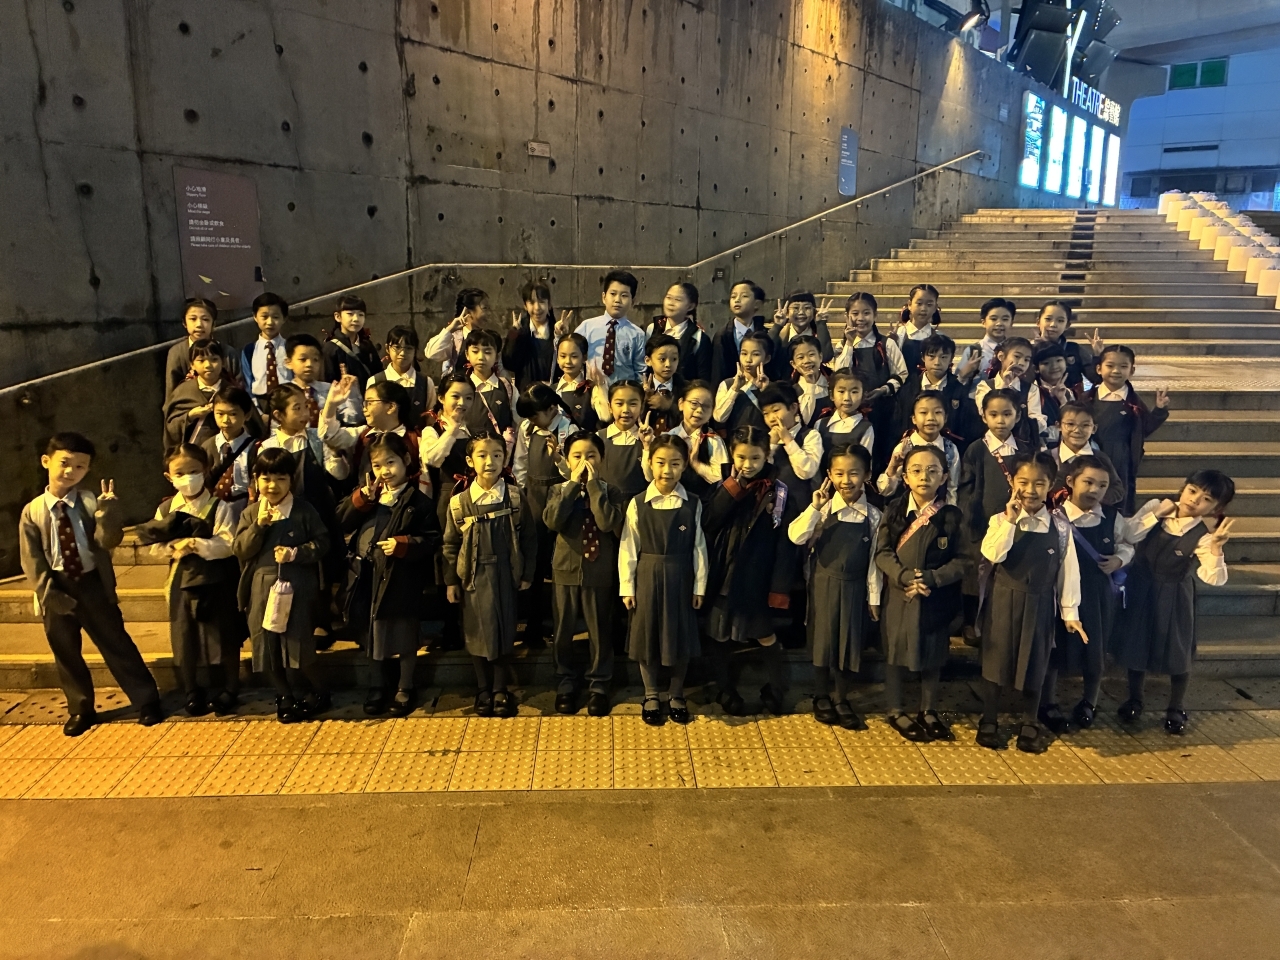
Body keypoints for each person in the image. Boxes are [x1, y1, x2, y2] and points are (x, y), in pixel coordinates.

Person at [19, 433, 164, 736]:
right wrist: (47, 592)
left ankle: (146, 700)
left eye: (80, 467)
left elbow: (106, 541)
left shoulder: (88, 502)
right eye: (64, 463)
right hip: (56, 585)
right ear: (46, 461)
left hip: (91, 582)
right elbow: (31, 559)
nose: (70, 471)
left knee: (116, 642)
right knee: (65, 650)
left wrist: (108, 514)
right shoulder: (33, 511)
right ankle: (80, 708)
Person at [978, 452, 1086, 754]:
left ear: (1051, 485)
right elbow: (993, 554)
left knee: (1036, 662)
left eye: (1039, 483)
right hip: (1003, 600)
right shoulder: (1000, 520)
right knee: (996, 660)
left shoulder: (1060, 527)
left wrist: (1070, 612)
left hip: (1039, 604)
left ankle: (1030, 721)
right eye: (1023, 482)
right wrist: (1011, 521)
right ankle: (989, 719)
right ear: (1012, 482)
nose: (1030, 490)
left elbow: (1068, 570)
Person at [1113, 470, 1234, 735]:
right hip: (1140, 587)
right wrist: (1156, 514)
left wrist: (1216, 548)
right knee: (1137, 643)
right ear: (1184, 488)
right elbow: (1128, 535)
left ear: (1216, 509)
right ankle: (1135, 699)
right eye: (1192, 491)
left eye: (1206, 499)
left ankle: (1176, 706)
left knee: (1177, 650)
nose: (1194, 500)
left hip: (1174, 593)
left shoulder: (1203, 535)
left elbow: (1214, 578)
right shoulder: (1156, 507)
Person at [133, 444, 244, 717]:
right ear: (169, 477)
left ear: (205, 470)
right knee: (184, 636)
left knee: (223, 634)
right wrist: (173, 546)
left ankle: (230, 687)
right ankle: (191, 690)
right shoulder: (166, 509)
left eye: (193, 471)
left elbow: (228, 543)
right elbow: (153, 545)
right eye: (180, 473)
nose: (187, 478)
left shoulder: (219, 506)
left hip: (215, 579)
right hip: (180, 579)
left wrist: (196, 544)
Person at [337, 433, 440, 717]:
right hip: (366, 577)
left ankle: (405, 686)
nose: (385, 471)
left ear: (406, 460)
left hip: (400, 580)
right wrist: (362, 499)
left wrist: (404, 544)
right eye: (377, 465)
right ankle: (377, 686)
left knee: (404, 634)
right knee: (372, 635)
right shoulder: (369, 495)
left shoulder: (418, 501)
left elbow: (431, 540)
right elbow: (340, 521)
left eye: (391, 462)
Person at [703, 425, 802, 717]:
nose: (748, 465)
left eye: (755, 458)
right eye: (741, 457)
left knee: (763, 634)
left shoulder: (779, 493)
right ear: (732, 455)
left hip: (757, 576)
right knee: (719, 634)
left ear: (767, 455)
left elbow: (786, 545)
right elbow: (709, 521)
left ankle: (776, 688)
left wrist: (779, 587)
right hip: (724, 573)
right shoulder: (723, 485)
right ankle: (725, 689)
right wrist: (733, 488)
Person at [875, 445, 968, 742]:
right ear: (905, 477)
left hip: (934, 595)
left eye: (932, 471)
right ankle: (895, 709)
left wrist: (932, 578)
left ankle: (928, 709)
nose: (924, 477)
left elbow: (964, 559)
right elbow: (882, 552)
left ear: (944, 477)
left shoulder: (952, 516)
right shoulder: (894, 510)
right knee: (894, 650)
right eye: (916, 470)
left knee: (933, 651)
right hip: (900, 594)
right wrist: (904, 576)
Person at [232, 447, 331, 723]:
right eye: (266, 478)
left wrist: (297, 553)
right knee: (266, 644)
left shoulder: (304, 511)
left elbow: (323, 542)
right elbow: (240, 549)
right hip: (261, 587)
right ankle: (284, 694)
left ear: (291, 480)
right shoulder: (251, 513)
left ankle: (319, 691)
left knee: (298, 643)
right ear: (255, 480)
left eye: (280, 479)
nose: (273, 486)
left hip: (297, 585)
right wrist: (259, 526)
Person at [442, 435, 538, 718]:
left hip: (505, 575)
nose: (490, 461)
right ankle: (482, 689)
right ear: (470, 461)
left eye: (497, 455)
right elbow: (450, 545)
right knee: (476, 633)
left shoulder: (515, 497)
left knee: (504, 630)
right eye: (482, 455)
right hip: (473, 578)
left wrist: (527, 573)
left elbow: (529, 538)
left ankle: (500, 689)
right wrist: (451, 581)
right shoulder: (459, 503)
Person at [789, 443, 883, 730]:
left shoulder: (874, 517)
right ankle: (821, 695)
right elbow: (796, 536)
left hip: (855, 586)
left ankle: (841, 698)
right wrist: (814, 507)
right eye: (839, 473)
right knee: (823, 641)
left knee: (849, 643)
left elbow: (875, 560)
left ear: (867, 475)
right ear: (829, 475)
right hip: (823, 584)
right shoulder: (824, 508)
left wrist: (874, 596)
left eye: (854, 473)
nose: (846, 480)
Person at [1038, 455, 1133, 733]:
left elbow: (1126, 544)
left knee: (1095, 648)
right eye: (1088, 482)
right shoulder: (1054, 517)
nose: (1095, 490)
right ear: (1070, 481)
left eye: (1102, 485)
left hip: (1097, 594)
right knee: (1054, 649)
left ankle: (1090, 701)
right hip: (1060, 593)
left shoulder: (1112, 518)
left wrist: (1119, 559)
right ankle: (1048, 701)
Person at [619, 435, 707, 726]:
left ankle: (676, 693)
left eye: (675, 463)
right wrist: (627, 587)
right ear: (650, 462)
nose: (667, 470)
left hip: (681, 576)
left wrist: (699, 586)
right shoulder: (638, 503)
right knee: (647, 636)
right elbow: (628, 547)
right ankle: (651, 694)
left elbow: (699, 547)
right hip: (647, 576)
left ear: (684, 466)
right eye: (660, 462)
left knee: (679, 636)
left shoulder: (692, 503)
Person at [543, 431, 626, 717]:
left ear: (601, 459)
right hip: (565, 569)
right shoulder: (558, 490)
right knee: (563, 630)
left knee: (600, 630)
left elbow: (606, 523)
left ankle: (599, 685)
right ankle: (565, 682)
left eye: (591, 456)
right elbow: (553, 521)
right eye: (577, 456)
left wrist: (592, 487)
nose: (584, 462)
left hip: (599, 569)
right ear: (566, 460)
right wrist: (571, 486)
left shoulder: (611, 491)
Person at [957, 389, 1033, 640]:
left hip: (1015, 521)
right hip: (981, 523)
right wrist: (969, 519)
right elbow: (966, 487)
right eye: (994, 414)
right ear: (983, 416)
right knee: (977, 574)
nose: (1001, 420)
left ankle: (1000, 623)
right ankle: (971, 623)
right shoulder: (976, 449)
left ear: (1018, 416)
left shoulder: (1025, 449)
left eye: (1007, 414)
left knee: (1006, 573)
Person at [513, 382, 576, 645]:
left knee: (558, 561)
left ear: (552, 409)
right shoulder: (527, 429)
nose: (531, 420)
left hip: (560, 497)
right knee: (535, 562)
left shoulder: (569, 429)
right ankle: (534, 625)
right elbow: (520, 463)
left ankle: (561, 625)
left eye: (534, 415)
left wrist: (559, 459)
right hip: (533, 498)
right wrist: (521, 494)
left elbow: (573, 471)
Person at [1082, 345, 1170, 515]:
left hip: (1122, 457)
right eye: (1110, 365)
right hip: (1092, 453)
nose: (1116, 371)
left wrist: (1159, 410)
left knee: (1118, 497)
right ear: (1099, 369)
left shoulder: (1133, 403)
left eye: (1123, 366)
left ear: (1132, 371)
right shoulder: (1088, 399)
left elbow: (1145, 428)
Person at [832, 292, 908, 473]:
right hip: (853, 412)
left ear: (875, 315)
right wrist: (849, 344)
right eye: (855, 313)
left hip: (884, 411)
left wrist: (883, 389)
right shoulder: (842, 346)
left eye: (866, 313)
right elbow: (839, 375)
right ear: (847, 316)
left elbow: (901, 373)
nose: (860, 318)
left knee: (881, 453)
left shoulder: (886, 344)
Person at [877, 391, 961, 505]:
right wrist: (892, 467)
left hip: (939, 510)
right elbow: (885, 490)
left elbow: (952, 488)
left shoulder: (950, 449)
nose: (931, 418)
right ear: (914, 418)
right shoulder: (904, 448)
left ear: (945, 417)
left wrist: (951, 512)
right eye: (923, 412)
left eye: (937, 412)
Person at [893, 333, 978, 444]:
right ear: (923, 357)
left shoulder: (959, 390)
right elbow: (899, 424)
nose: (937, 362)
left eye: (943, 357)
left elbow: (966, 428)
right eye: (931, 356)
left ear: (951, 358)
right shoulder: (908, 389)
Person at [163, 338, 240, 454]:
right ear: (192, 365)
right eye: (201, 360)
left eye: (214, 359)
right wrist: (190, 416)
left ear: (223, 362)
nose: (208, 365)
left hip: (228, 454)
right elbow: (171, 428)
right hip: (192, 455)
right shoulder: (183, 391)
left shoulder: (233, 391)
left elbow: (250, 423)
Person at [420, 372, 476, 527]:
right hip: (446, 498)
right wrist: (452, 430)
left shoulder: (471, 431)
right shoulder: (432, 431)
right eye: (455, 396)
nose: (462, 403)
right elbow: (431, 459)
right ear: (441, 398)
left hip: (472, 496)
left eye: (469, 398)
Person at [203, 386, 260, 532]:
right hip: (214, 508)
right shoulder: (208, 446)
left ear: (247, 415)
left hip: (243, 507)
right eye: (220, 414)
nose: (225, 420)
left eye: (233, 414)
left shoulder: (256, 448)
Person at [1048, 402, 1125, 509]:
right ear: (1058, 425)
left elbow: (1117, 490)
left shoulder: (1100, 458)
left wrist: (1094, 497)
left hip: (1092, 515)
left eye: (1085, 425)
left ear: (1094, 429)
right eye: (1070, 424)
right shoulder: (1048, 458)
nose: (1077, 430)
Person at [660, 380, 729, 499]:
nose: (699, 410)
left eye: (706, 406)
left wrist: (696, 464)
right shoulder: (668, 437)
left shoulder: (713, 440)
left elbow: (721, 480)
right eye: (694, 403)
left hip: (703, 503)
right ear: (681, 404)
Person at [576, 270, 647, 384]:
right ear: (604, 297)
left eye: (624, 295)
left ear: (633, 301)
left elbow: (640, 370)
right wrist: (560, 336)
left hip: (624, 391)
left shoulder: (637, 334)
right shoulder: (587, 327)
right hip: (593, 389)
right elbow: (569, 353)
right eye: (613, 294)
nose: (617, 300)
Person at [974, 336, 1046, 448]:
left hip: (1023, 446)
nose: (1021, 363)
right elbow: (984, 414)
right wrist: (1004, 387)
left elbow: (1037, 422)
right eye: (1017, 356)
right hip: (991, 445)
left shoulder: (1031, 389)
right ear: (1001, 356)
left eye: (1026, 360)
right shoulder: (985, 386)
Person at [760, 381, 824, 507]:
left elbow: (806, 472)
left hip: (801, 506)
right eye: (766, 414)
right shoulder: (765, 440)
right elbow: (760, 474)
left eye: (776, 410)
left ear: (794, 408)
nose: (771, 418)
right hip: (771, 507)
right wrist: (771, 445)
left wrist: (788, 440)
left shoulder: (810, 436)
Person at [164, 298, 240, 397]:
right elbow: (171, 394)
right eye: (193, 319)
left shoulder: (228, 352)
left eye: (205, 319)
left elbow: (240, 388)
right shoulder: (177, 353)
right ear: (184, 323)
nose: (199, 325)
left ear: (213, 324)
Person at [462, 328, 519, 459]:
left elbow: (519, 423)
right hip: (469, 456)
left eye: (487, 352)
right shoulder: (462, 387)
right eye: (475, 351)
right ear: (467, 354)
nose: (481, 357)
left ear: (496, 356)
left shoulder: (506, 387)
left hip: (501, 457)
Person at [285, 332, 361, 428]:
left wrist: (351, 393)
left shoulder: (330, 390)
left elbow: (353, 419)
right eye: (303, 359)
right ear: (288, 362)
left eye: (315, 360)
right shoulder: (284, 393)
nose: (309, 364)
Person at [504, 280, 569, 390]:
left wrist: (563, 337)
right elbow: (509, 364)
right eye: (531, 302)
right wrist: (515, 336)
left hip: (553, 394)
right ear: (525, 305)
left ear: (549, 304)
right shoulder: (520, 331)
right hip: (526, 395)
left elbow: (565, 367)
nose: (537, 307)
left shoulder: (557, 331)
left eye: (542, 302)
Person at [598, 379, 651, 508]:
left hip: (638, 506)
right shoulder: (598, 438)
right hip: (606, 507)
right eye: (619, 404)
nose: (626, 410)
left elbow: (651, 477)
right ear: (610, 407)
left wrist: (647, 446)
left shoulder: (649, 440)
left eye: (633, 404)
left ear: (642, 407)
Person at [368, 325, 433, 428]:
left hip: (417, 437)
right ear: (387, 348)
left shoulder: (425, 382)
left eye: (409, 348)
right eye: (397, 347)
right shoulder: (375, 381)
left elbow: (430, 418)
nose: (402, 353)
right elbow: (371, 417)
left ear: (415, 351)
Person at [647, 282, 711, 382]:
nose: (671, 303)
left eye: (677, 300)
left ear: (690, 306)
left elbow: (703, 377)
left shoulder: (698, 337)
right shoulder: (653, 329)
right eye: (668, 297)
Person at [711, 279, 770, 385]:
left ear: (757, 304)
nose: (737, 300)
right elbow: (718, 371)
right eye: (733, 296)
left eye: (744, 296)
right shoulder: (723, 335)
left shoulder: (764, 333)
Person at [712, 331, 772, 433]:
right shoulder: (727, 384)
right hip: (736, 441)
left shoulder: (772, 387)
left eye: (756, 354)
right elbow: (719, 417)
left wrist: (765, 392)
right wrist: (734, 389)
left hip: (763, 440)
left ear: (767, 358)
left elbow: (776, 419)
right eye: (744, 353)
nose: (748, 360)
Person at [242, 292, 292, 412]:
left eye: (276, 317)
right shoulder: (249, 350)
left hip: (289, 399)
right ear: (255, 317)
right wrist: (258, 412)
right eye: (264, 317)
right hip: (261, 402)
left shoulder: (291, 347)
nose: (270, 322)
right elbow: (248, 384)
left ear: (284, 318)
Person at [322, 294, 383, 394]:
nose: (356, 319)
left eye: (361, 315)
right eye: (350, 314)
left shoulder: (367, 345)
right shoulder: (330, 348)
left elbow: (378, 374)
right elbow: (328, 382)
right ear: (338, 317)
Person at [1035, 300, 1102, 388]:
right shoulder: (1030, 350)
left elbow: (1096, 379)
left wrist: (1098, 356)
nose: (1053, 324)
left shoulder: (1075, 349)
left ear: (1067, 325)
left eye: (1060, 321)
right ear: (1038, 322)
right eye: (1048, 319)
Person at [552, 331, 611, 431]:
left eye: (574, 356)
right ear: (557, 358)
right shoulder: (552, 390)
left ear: (584, 357)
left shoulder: (592, 388)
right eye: (563, 356)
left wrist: (600, 386)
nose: (568, 361)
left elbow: (605, 417)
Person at [425, 288, 491, 376]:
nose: (489, 313)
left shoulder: (488, 337)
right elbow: (431, 354)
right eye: (485, 308)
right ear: (468, 312)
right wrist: (450, 329)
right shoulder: (454, 337)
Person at [814, 368, 875, 458]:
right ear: (831, 395)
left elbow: (864, 462)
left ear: (863, 396)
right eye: (841, 391)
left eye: (854, 392)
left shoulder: (865, 428)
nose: (847, 398)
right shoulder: (820, 424)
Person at [770, 290, 835, 371]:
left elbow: (826, 356)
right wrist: (777, 326)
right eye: (796, 308)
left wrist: (821, 324)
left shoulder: (818, 335)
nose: (801, 312)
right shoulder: (780, 335)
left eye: (807, 308)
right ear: (787, 312)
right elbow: (766, 353)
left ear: (814, 311)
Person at [959, 297, 1015, 387]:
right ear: (983, 322)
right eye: (993, 319)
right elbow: (956, 383)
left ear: (1011, 323)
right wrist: (963, 374)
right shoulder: (973, 351)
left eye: (1005, 319)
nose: (999, 323)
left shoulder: (1014, 351)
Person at [641, 332, 685, 434]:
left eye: (674, 359)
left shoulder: (686, 389)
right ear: (648, 360)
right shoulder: (639, 389)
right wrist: (644, 402)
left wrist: (669, 405)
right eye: (662, 359)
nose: (668, 364)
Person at [788, 335, 835, 427]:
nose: (807, 360)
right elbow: (803, 422)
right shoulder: (792, 391)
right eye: (801, 357)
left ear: (820, 357)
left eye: (811, 355)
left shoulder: (833, 383)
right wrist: (810, 386)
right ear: (793, 364)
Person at [894, 283, 942, 372]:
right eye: (919, 303)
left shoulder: (939, 337)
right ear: (909, 305)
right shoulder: (899, 334)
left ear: (935, 307)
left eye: (929, 304)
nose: (923, 308)